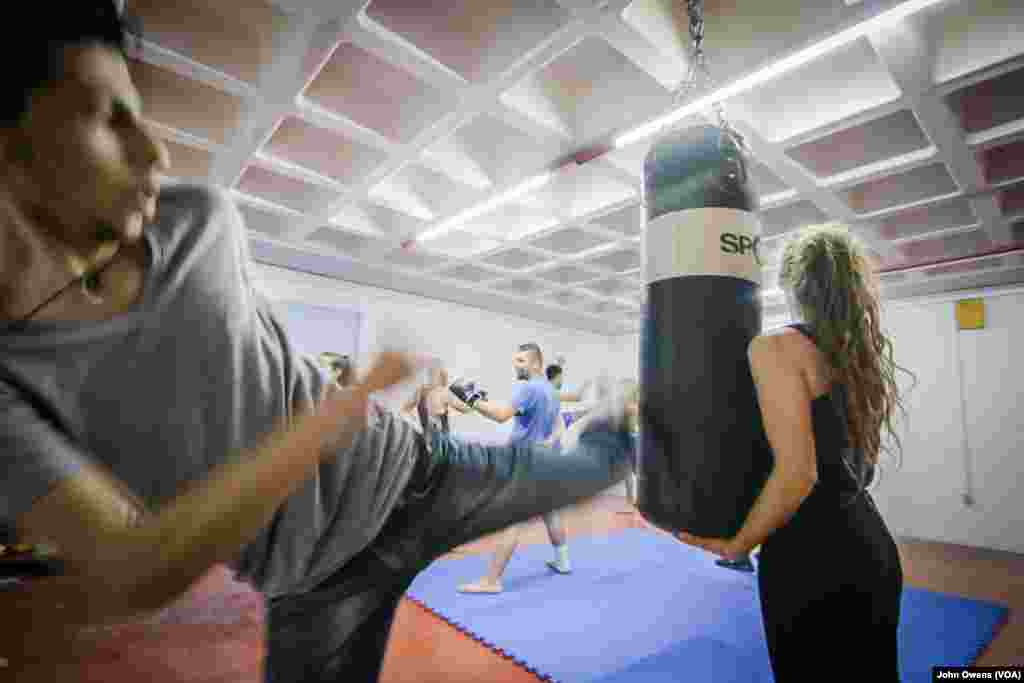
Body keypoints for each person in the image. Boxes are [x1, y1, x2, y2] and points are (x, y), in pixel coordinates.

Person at [0, 6, 635, 680]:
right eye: (107, 118)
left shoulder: (196, 219)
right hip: (309, 583)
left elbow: (255, 362)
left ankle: (622, 431)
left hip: (413, 472)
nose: (153, 152)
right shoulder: (12, 386)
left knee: (581, 471)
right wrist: (332, 415)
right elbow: (137, 567)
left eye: (139, 115)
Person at [675, 224, 910, 681]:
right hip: (871, 546)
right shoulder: (857, 357)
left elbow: (797, 475)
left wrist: (736, 545)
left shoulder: (776, 348)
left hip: (809, 557)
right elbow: (864, 466)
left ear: (789, 283)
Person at [456, 343, 572, 594]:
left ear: (536, 363)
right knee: (550, 512)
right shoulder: (550, 390)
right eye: (515, 360)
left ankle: (491, 581)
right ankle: (563, 561)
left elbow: (501, 415)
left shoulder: (529, 388)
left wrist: (472, 400)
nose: (515, 365)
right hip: (546, 462)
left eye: (521, 361)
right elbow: (558, 425)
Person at [399, 367, 471, 435]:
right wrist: (414, 423)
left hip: (437, 438)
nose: (431, 377)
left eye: (434, 374)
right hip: (428, 438)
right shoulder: (422, 391)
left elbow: (465, 409)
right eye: (431, 374)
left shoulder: (443, 392)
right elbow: (404, 411)